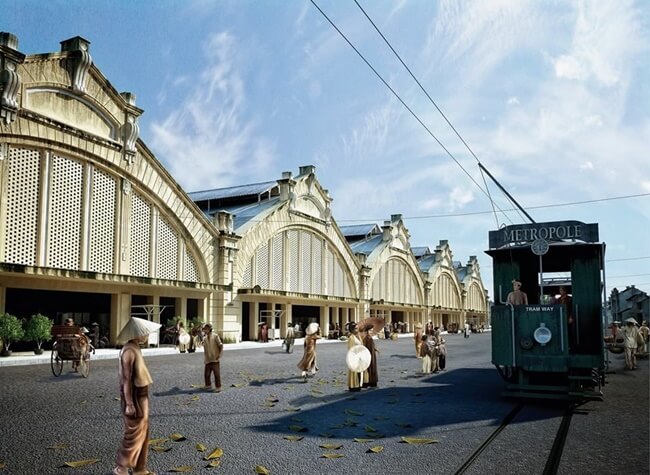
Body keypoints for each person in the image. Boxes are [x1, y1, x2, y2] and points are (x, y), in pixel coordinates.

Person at [114, 317, 158, 475]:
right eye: (144, 333)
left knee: (144, 433)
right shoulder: (129, 351)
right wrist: (130, 404)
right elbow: (126, 379)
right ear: (136, 334)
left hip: (142, 396)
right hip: (134, 397)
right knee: (133, 434)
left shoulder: (135, 348)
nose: (146, 336)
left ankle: (140, 468)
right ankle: (121, 468)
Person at [202, 323, 223, 392]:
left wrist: (219, 354)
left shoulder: (215, 336)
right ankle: (208, 385)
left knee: (216, 374)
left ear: (209, 329)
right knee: (206, 374)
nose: (204, 330)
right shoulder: (204, 338)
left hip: (215, 358)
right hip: (208, 359)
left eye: (205, 329)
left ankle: (218, 387)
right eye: (204, 329)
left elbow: (220, 345)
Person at [347, 323, 364, 391]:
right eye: (356, 329)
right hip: (354, 356)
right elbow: (351, 348)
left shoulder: (358, 336)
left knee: (359, 371)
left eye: (357, 328)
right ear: (352, 329)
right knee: (354, 371)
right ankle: (354, 385)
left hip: (359, 356)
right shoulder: (351, 338)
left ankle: (359, 384)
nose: (357, 330)